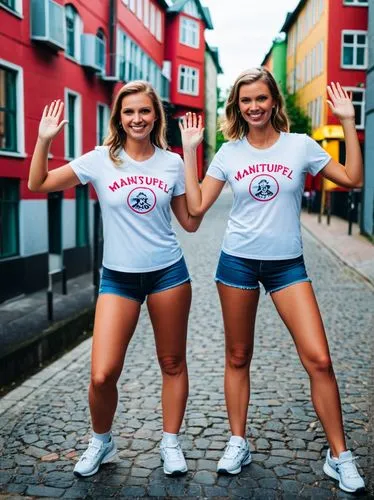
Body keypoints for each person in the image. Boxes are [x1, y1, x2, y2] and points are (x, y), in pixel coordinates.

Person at [179, 68, 365, 494]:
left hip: (287, 266)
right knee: (238, 357)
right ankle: (238, 441)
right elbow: (196, 210)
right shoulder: (229, 153)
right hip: (238, 264)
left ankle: (340, 456)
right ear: (237, 106)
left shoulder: (299, 146)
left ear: (273, 101)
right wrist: (191, 154)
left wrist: (349, 123)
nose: (254, 106)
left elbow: (352, 178)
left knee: (319, 359)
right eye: (246, 100)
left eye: (261, 98)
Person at [28, 81, 202, 477]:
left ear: (155, 115)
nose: (137, 118)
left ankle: (171, 443)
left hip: (168, 274)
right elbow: (38, 183)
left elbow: (191, 222)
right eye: (129, 112)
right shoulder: (100, 160)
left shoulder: (171, 163)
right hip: (118, 279)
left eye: (144, 111)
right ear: (119, 118)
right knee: (102, 373)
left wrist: (190, 156)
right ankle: (101, 441)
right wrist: (43, 141)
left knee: (172, 361)